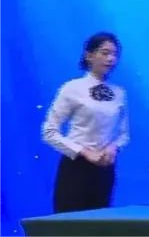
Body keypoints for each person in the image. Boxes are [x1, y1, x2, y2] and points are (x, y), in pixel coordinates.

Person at [42, 32, 130, 213]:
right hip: (76, 167)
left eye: (115, 54)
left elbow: (124, 134)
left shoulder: (119, 93)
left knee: (100, 222)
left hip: (105, 168)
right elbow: (49, 132)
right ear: (89, 55)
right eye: (105, 53)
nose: (111, 59)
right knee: (70, 222)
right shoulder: (72, 88)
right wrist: (84, 152)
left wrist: (113, 147)